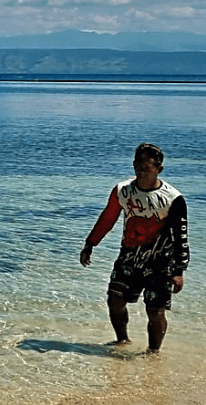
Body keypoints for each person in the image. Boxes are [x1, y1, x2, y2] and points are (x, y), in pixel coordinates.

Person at [80, 143, 189, 352]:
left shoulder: (173, 198)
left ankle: (153, 353)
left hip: (161, 261)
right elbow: (108, 218)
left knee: (155, 310)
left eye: (147, 167)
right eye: (138, 165)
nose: (141, 170)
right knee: (115, 300)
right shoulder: (123, 190)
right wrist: (90, 244)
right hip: (129, 256)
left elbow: (181, 237)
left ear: (159, 169)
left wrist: (178, 271)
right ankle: (122, 341)